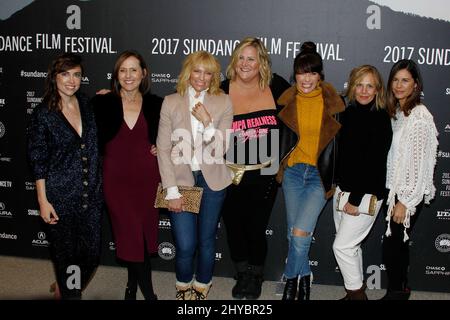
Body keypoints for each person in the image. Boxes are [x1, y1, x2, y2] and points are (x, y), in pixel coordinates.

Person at [157, 50, 233, 300]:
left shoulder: (224, 101)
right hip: (181, 179)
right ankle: (182, 286)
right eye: (197, 71)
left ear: (214, 76)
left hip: (213, 180)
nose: (202, 77)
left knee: (206, 240)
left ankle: (202, 286)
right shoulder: (171, 101)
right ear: (188, 72)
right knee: (186, 244)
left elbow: (222, 148)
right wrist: (171, 190)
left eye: (208, 72)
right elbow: (164, 149)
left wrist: (208, 122)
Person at [27, 53, 102, 300]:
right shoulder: (43, 113)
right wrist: (42, 200)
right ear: (54, 77)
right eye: (65, 74)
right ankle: (69, 292)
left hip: (90, 195)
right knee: (66, 258)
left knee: (91, 254)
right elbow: (38, 160)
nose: (71, 80)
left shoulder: (86, 104)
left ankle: (65, 284)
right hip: (59, 197)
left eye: (77, 74)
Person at [220, 37, 290, 300]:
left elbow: (306, 100)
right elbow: (187, 105)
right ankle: (241, 274)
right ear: (234, 60)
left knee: (256, 226)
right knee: (234, 225)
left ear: (261, 62)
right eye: (241, 57)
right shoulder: (222, 89)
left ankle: (255, 275)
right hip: (230, 171)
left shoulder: (277, 85)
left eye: (251, 58)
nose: (245, 63)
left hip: (266, 171)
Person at [91, 50, 162, 300]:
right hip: (116, 181)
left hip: (148, 180)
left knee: (141, 238)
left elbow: (172, 137)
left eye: (134, 69)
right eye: (123, 70)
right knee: (131, 234)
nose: (129, 75)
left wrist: (162, 146)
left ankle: (131, 286)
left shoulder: (156, 104)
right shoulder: (102, 102)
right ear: (116, 75)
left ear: (144, 73)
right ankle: (151, 296)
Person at [276, 42, 345, 300]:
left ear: (320, 75)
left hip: (319, 175)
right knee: (292, 231)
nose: (306, 79)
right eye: (302, 73)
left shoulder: (335, 105)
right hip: (293, 173)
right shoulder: (285, 102)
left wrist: (337, 178)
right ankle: (304, 280)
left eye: (312, 73)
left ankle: (290, 281)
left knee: (301, 233)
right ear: (295, 75)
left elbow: (341, 147)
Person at [332, 65, 392, 300]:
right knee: (351, 247)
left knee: (342, 247)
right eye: (359, 84)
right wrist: (338, 188)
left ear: (378, 90)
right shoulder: (348, 114)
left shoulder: (380, 118)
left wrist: (355, 200)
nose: (364, 90)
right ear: (352, 86)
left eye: (370, 86)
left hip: (365, 195)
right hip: (344, 190)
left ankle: (357, 295)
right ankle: (353, 293)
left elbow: (373, 164)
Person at [382, 59, 438, 300]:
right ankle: (399, 289)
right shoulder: (397, 112)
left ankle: (397, 293)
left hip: (407, 195)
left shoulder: (419, 116)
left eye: (405, 80)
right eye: (395, 79)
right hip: (394, 191)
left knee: (394, 247)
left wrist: (405, 201)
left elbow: (420, 163)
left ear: (416, 84)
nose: (399, 85)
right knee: (395, 246)